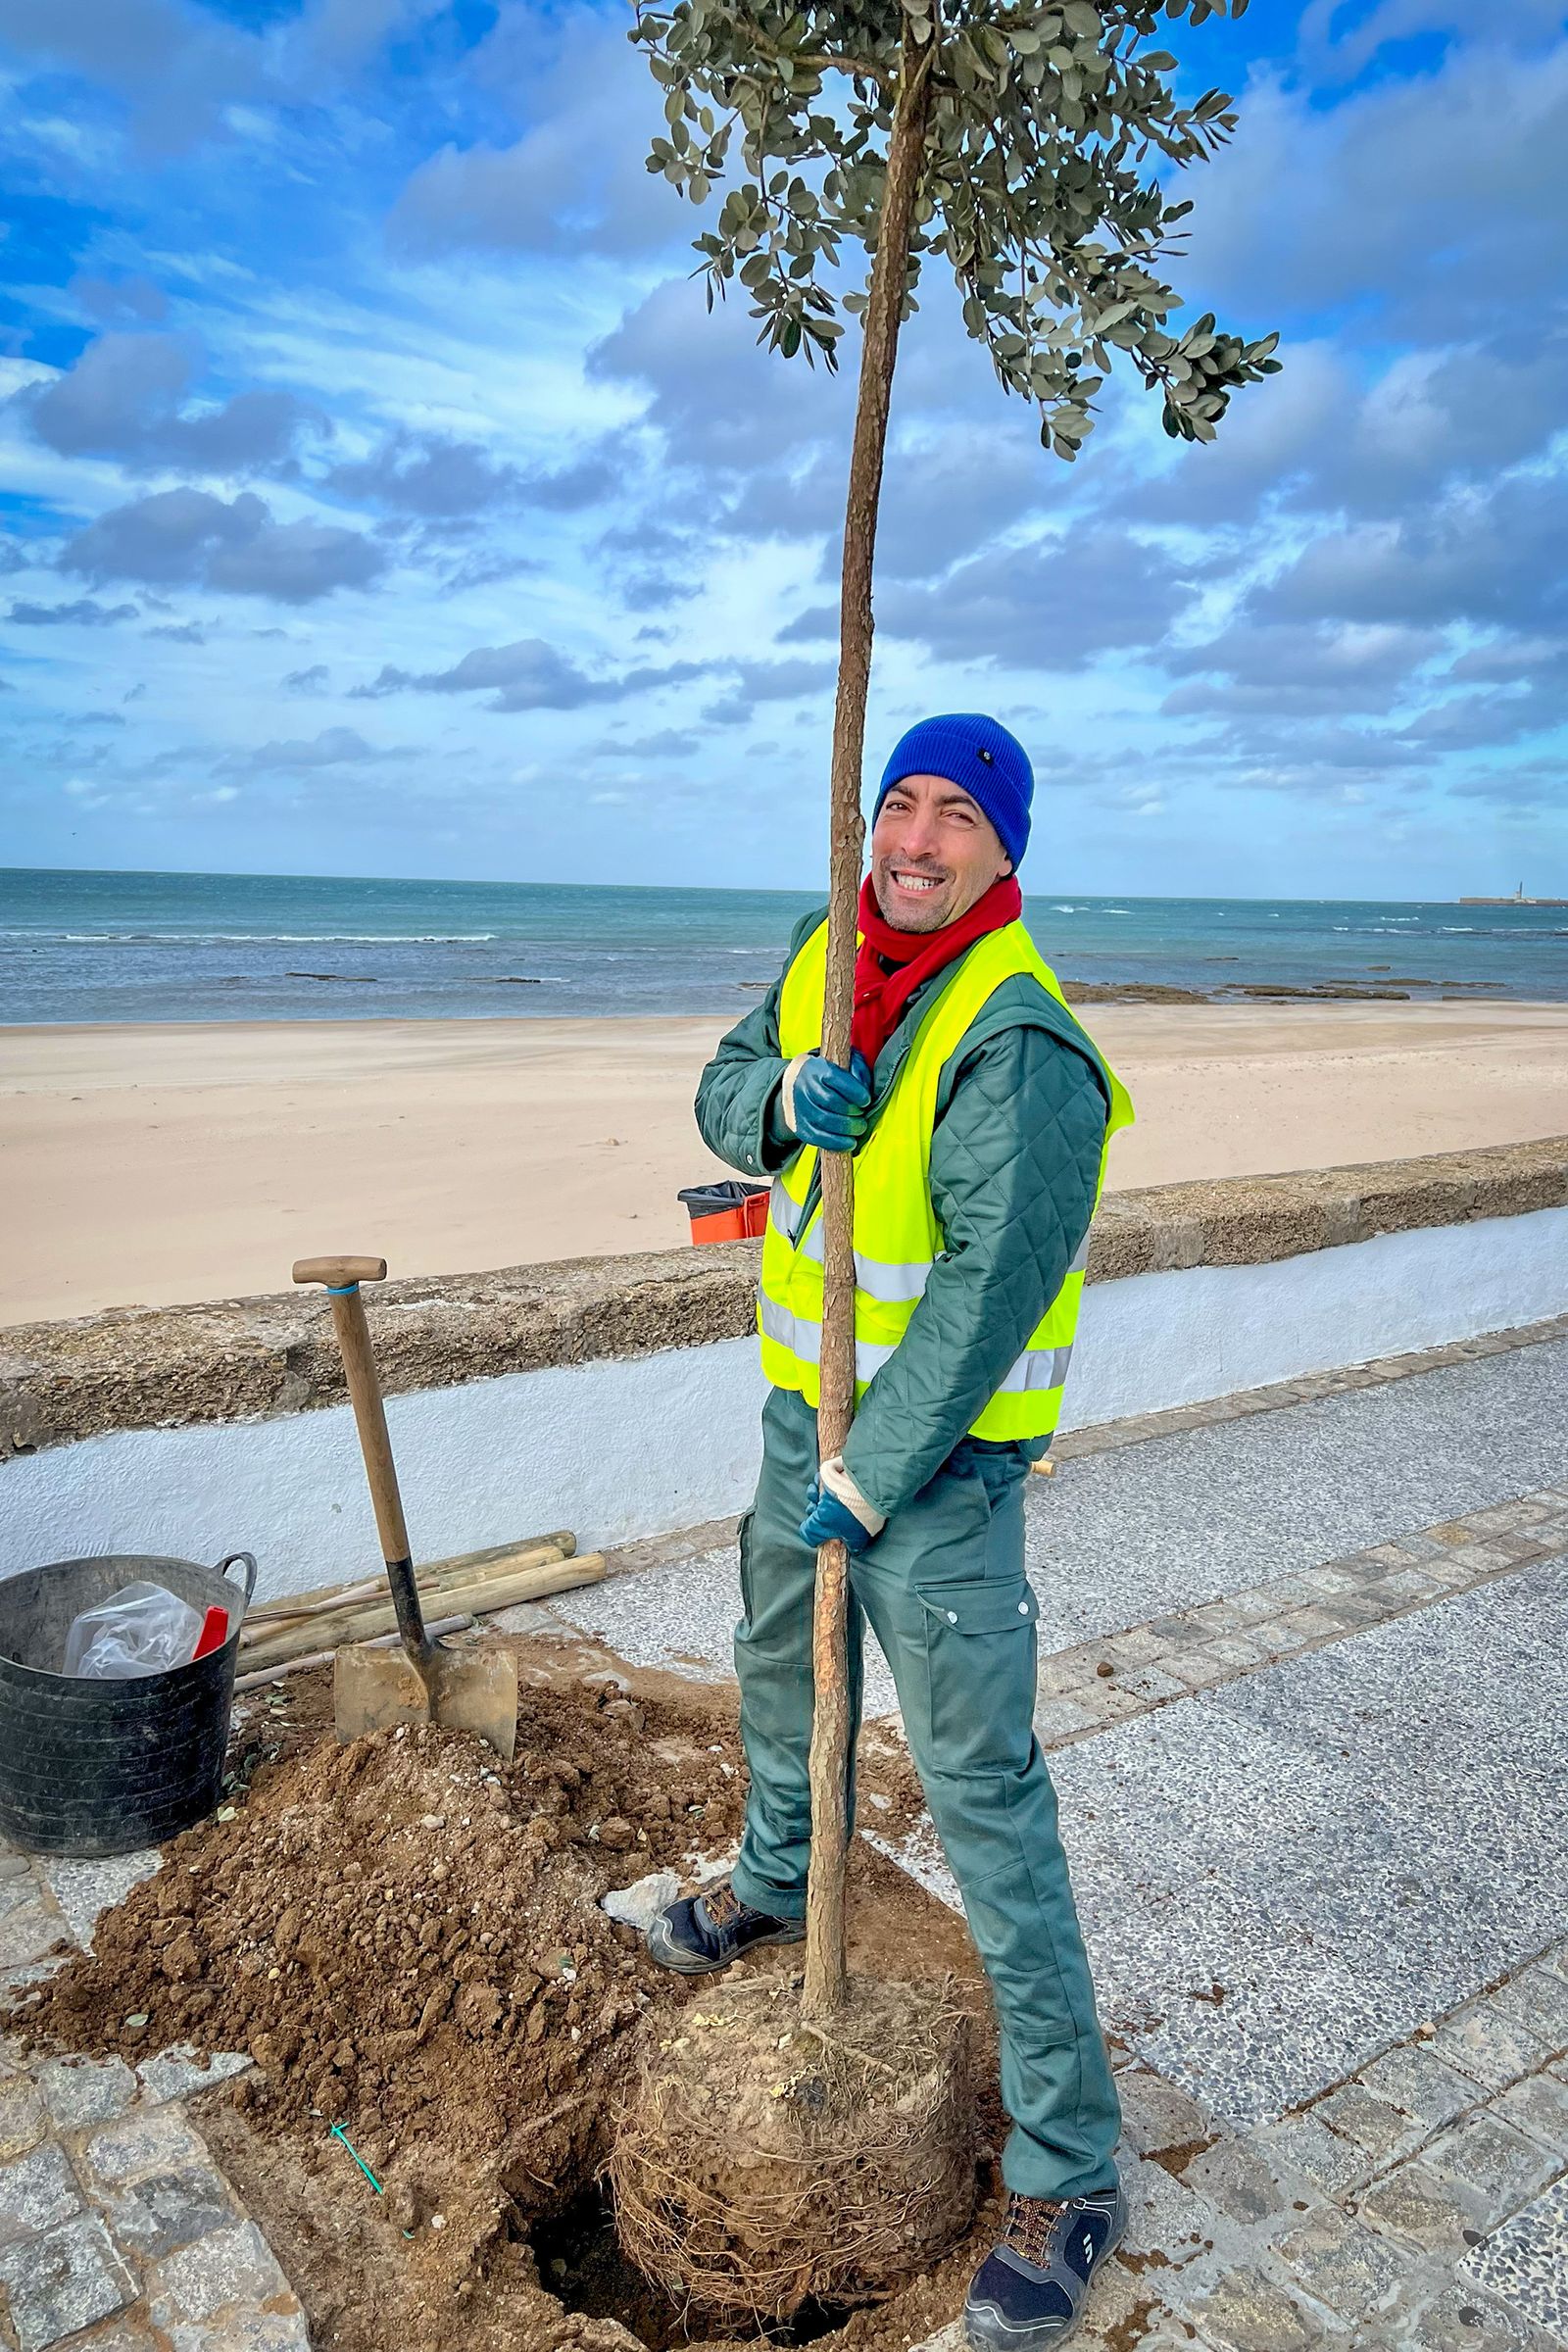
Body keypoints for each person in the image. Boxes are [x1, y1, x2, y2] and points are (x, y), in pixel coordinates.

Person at [647, 713, 1136, 2351]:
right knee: (780, 1673)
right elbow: (720, 1096)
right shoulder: (821, 940)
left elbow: (988, 1297)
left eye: (954, 819)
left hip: (937, 1474)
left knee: (982, 1793)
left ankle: (1072, 2164)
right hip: (804, 1421)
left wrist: (874, 1478)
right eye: (898, 803)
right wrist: (786, 1096)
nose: (915, 839)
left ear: (1006, 853)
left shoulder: (1023, 1044)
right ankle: (779, 1885)